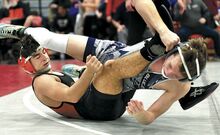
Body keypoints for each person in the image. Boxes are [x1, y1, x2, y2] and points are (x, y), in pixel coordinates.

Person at [0, 0, 218, 115]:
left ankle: (154, 49)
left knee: (114, 65)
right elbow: (72, 96)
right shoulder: (42, 83)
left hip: (108, 80)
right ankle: (18, 31)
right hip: (102, 85)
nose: (169, 71)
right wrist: (162, 30)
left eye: (42, 54)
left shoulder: (177, 81)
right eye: (171, 65)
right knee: (54, 39)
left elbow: (151, 115)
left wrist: (144, 116)